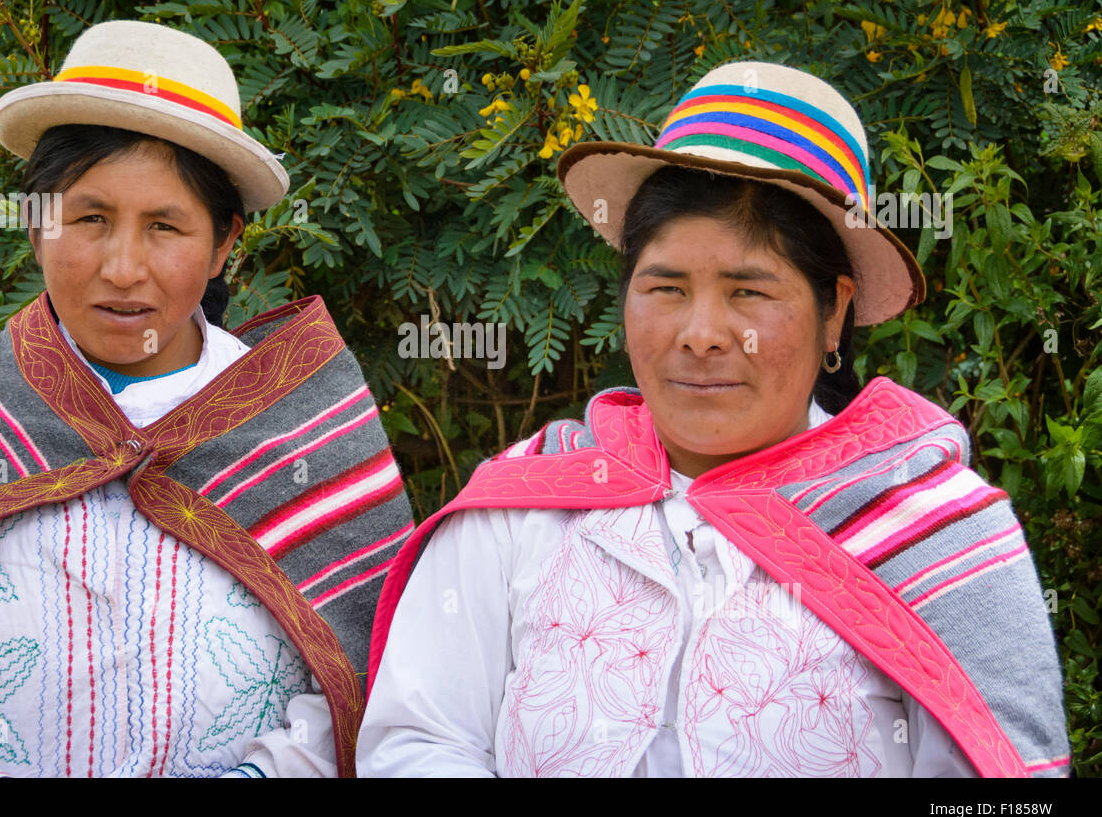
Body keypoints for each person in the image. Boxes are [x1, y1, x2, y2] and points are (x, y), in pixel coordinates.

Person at [358, 61, 1070, 778]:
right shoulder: (528, 506)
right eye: (665, 287)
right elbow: (418, 742)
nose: (701, 333)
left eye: (749, 291)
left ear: (836, 312)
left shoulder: (931, 535)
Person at [0, 20, 413, 777]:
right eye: (89, 218)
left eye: (165, 226)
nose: (123, 268)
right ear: (36, 224)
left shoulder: (305, 433)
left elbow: (370, 677)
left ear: (224, 244)